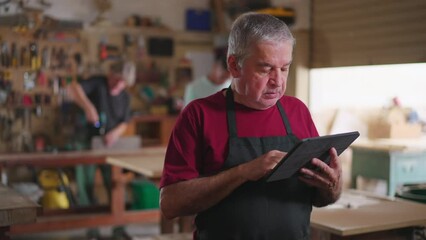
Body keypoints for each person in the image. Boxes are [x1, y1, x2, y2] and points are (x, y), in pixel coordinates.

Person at [159, 12, 342, 240]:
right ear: (234, 65)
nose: (278, 81)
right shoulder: (199, 115)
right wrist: (243, 172)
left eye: (284, 68)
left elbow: (319, 199)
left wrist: (332, 187)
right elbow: (170, 204)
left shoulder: (297, 111)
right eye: (266, 69)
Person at [68, 60, 135, 240]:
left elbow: (125, 121)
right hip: (85, 143)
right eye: (116, 79)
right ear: (111, 73)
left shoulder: (125, 97)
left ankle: (118, 230)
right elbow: (73, 87)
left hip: (109, 147)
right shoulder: (97, 83)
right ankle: (92, 231)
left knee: (115, 187)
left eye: (123, 82)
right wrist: (88, 106)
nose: (118, 85)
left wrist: (115, 134)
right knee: (86, 188)